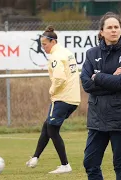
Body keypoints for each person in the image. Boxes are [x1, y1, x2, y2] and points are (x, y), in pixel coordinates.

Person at [80, 12, 121, 180]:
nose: (113, 30)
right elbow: (86, 84)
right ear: (101, 31)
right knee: (90, 162)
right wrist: (112, 78)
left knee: (120, 166)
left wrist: (98, 77)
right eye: (109, 27)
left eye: (116, 27)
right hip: (97, 118)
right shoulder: (92, 54)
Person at [26, 25, 81, 174]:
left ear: (53, 42)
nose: (43, 47)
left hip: (63, 97)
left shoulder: (55, 56)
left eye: (44, 44)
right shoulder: (66, 52)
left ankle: (65, 165)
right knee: (48, 126)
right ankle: (35, 157)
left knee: (52, 129)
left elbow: (59, 78)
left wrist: (52, 90)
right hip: (73, 98)